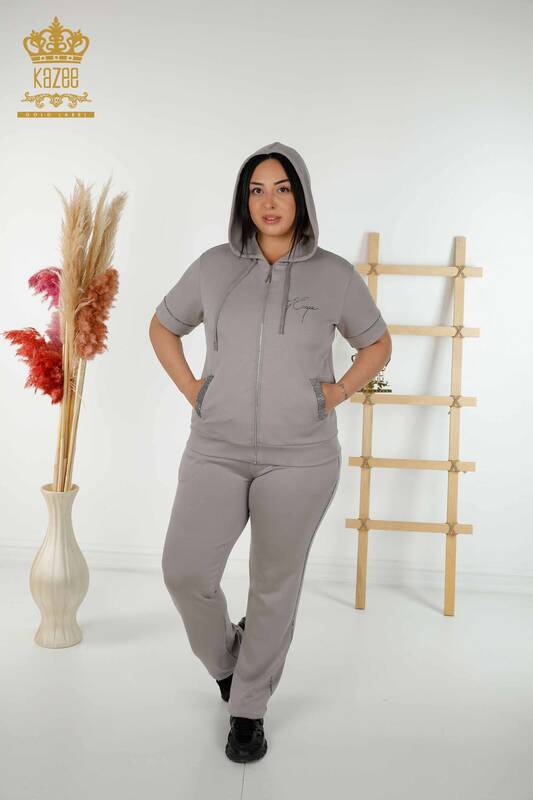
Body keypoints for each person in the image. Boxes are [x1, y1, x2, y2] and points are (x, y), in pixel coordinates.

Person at [149, 140, 392, 762]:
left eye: (282, 188)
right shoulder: (214, 266)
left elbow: (377, 344)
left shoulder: (334, 274)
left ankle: (248, 710)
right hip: (216, 448)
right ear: (244, 200)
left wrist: (335, 392)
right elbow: (164, 325)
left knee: (273, 587)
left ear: (301, 196)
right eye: (256, 190)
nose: (269, 201)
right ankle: (230, 665)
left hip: (300, 458)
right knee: (184, 572)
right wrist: (194, 390)